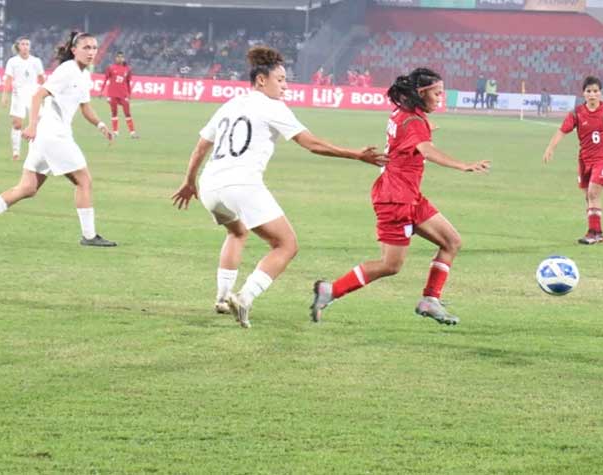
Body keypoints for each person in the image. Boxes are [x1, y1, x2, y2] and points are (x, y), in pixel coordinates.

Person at [171, 46, 385, 329]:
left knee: (237, 232)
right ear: (262, 80)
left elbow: (201, 147)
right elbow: (311, 144)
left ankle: (222, 298)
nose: (286, 86)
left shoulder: (231, 104)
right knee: (286, 245)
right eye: (281, 79)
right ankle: (244, 297)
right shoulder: (272, 107)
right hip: (241, 183)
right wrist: (355, 154)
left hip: (210, 184)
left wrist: (189, 182)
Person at [309, 68, 490, 326]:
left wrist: (425, 128)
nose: (441, 99)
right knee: (390, 265)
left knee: (451, 242)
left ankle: (430, 299)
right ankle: (331, 290)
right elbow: (426, 150)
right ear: (421, 93)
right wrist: (462, 165)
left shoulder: (404, 113)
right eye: (437, 94)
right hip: (396, 200)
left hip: (409, 196)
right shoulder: (413, 121)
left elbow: (411, 136)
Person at [0, 31, 116, 246]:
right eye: (86, 47)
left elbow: (85, 106)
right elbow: (38, 95)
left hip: (47, 137)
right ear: (74, 50)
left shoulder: (84, 74)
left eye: (94, 48)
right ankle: (89, 236)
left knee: (27, 188)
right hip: (53, 135)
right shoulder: (67, 70)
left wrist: (100, 125)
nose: (91, 52)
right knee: (84, 181)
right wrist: (32, 125)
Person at [542, 76, 603, 245]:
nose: (592, 94)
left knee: (593, 193)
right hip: (585, 160)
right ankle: (598, 233)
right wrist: (550, 148)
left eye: (595, 91)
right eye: (589, 91)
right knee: (589, 196)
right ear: (583, 93)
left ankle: (592, 233)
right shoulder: (577, 113)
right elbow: (562, 131)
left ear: (600, 93)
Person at [1, 36, 45, 161]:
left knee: (37, 123)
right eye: (23, 44)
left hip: (33, 93)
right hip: (18, 93)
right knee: (17, 123)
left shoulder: (36, 61)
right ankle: (16, 152)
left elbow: (41, 78)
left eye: (27, 44)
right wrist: (5, 95)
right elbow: (9, 79)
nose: (25, 46)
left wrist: (46, 94)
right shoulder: (12, 62)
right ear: (18, 47)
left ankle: (35, 151)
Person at [99, 51, 138, 138]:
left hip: (123, 94)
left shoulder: (127, 69)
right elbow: (105, 79)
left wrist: (129, 94)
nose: (120, 58)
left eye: (121, 57)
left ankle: (132, 133)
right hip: (112, 94)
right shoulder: (111, 68)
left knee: (127, 113)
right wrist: (101, 91)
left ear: (124, 58)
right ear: (115, 58)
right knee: (114, 113)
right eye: (118, 57)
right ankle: (115, 132)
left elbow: (128, 83)